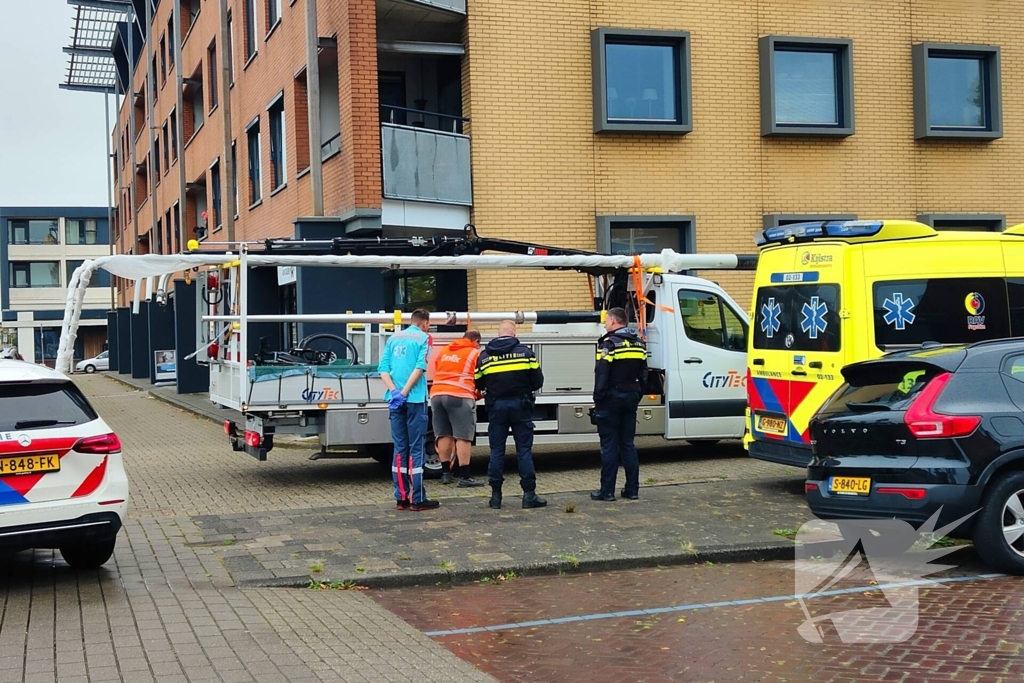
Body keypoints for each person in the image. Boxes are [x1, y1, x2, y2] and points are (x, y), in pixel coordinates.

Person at [475, 320, 547, 510]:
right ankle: (529, 495)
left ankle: (496, 497)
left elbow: (479, 383)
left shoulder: (484, 357)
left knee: (496, 450)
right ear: (514, 334)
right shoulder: (526, 353)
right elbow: (538, 381)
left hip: (496, 407)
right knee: (524, 450)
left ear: (499, 334)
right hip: (521, 406)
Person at [378, 309, 439, 511]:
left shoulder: (393, 338)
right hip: (414, 399)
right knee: (416, 448)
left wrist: (394, 391)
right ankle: (418, 499)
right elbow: (420, 367)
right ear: (425, 323)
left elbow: (383, 369)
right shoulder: (425, 338)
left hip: (394, 400)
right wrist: (404, 392)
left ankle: (401, 497)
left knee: (399, 449)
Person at [590, 307, 648, 502]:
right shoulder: (639, 344)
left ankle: (607, 491)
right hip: (631, 396)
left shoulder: (609, 344)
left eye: (606, 320)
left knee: (609, 446)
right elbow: (644, 375)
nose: (605, 324)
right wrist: (638, 394)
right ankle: (632, 490)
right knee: (628, 445)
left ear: (614, 322)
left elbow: (602, 374)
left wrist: (598, 399)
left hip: (611, 398)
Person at [429, 330, 485, 488]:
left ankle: (446, 473)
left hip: (437, 394)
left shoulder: (446, 350)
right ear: (475, 341)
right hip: (459, 395)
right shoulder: (474, 353)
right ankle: (465, 476)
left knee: (443, 434)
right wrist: (479, 394)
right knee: (463, 436)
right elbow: (480, 376)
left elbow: (437, 367)